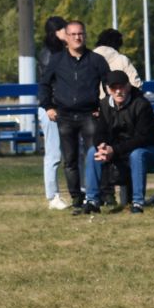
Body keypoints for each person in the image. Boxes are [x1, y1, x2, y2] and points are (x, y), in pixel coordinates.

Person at [38, 19, 108, 214]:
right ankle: (77, 199)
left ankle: (94, 197)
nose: (78, 37)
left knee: (93, 156)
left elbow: (108, 85)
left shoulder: (96, 60)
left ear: (85, 35)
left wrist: (102, 107)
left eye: (81, 34)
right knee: (69, 160)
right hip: (65, 116)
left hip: (89, 115)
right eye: (73, 34)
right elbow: (43, 84)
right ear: (66, 38)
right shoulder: (57, 60)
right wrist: (48, 107)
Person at [92, 72, 154, 213]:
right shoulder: (104, 105)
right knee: (93, 153)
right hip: (121, 149)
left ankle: (138, 202)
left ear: (128, 87)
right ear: (108, 89)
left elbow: (143, 138)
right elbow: (99, 132)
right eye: (114, 88)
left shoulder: (141, 104)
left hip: (150, 149)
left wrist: (114, 150)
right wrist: (102, 145)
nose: (118, 91)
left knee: (137, 155)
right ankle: (92, 200)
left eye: (122, 87)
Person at [37, 15, 68, 209]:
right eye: (64, 29)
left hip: (64, 106)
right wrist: (49, 106)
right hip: (52, 108)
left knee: (75, 152)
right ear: (55, 32)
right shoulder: (50, 55)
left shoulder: (61, 52)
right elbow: (47, 83)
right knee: (54, 153)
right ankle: (52, 196)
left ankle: (81, 190)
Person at [92, 29, 143, 99]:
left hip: (92, 107)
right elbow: (136, 84)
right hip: (119, 106)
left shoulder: (87, 60)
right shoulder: (122, 60)